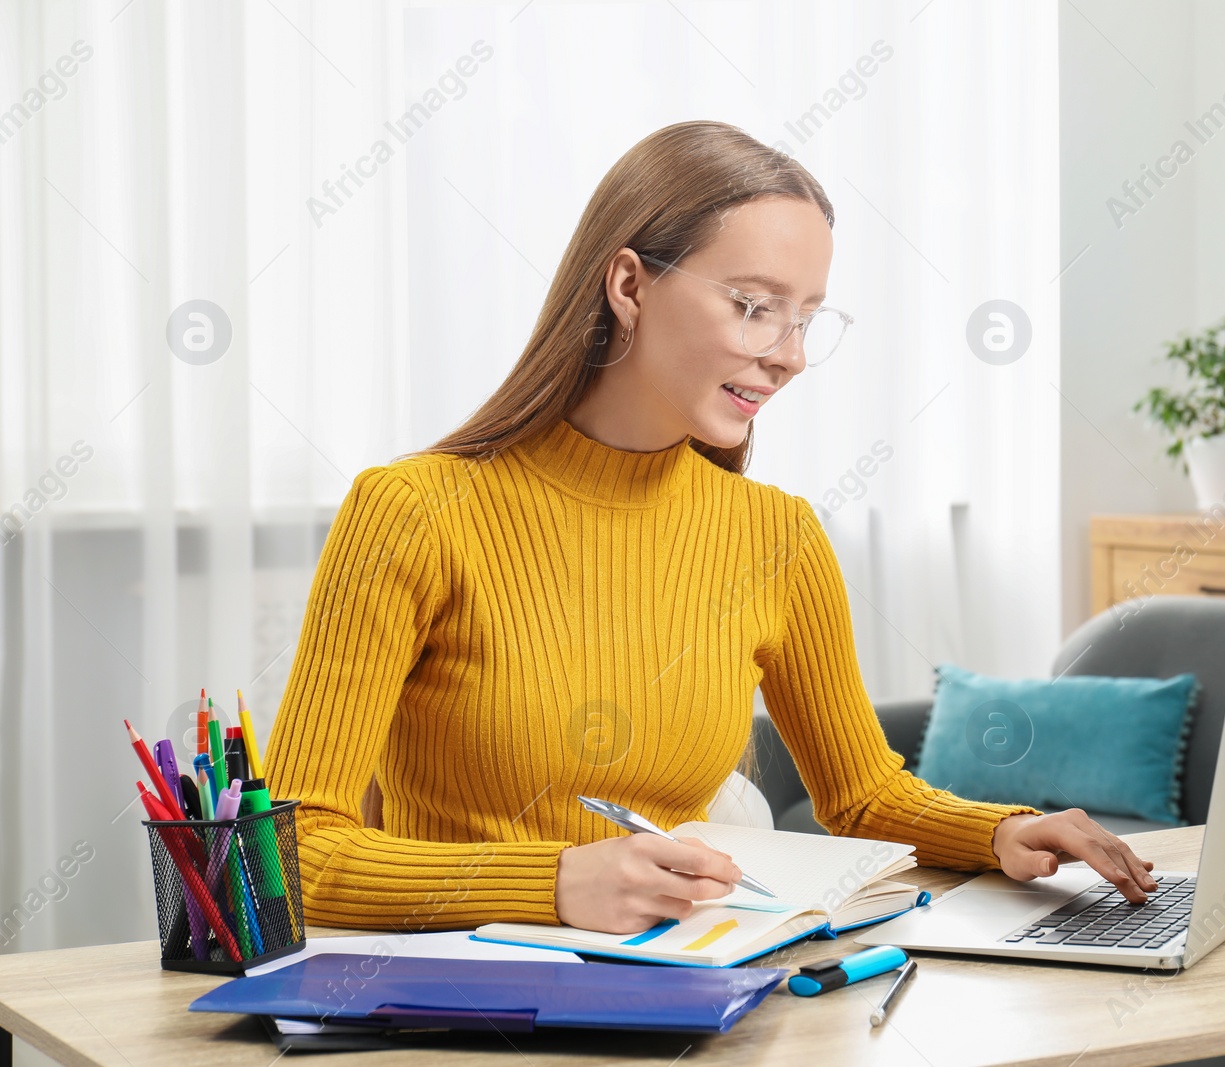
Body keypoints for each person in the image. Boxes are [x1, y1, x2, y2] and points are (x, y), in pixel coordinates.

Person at [264, 120, 1155, 936]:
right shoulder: (412, 512)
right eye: (754, 305)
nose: (789, 354)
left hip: (694, 981)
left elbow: (861, 792)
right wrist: (556, 882)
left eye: (806, 318)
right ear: (628, 285)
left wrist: (1004, 829)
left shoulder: (777, 534)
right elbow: (293, 853)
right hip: (473, 1001)